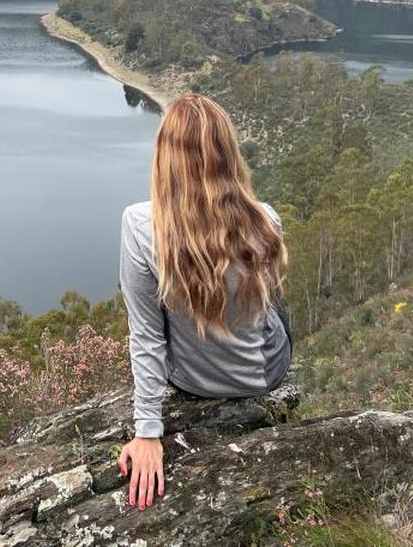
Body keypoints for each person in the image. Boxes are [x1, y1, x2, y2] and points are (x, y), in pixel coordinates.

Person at [116, 93, 292, 511]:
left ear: (165, 158)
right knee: (274, 306)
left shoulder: (139, 225)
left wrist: (148, 433)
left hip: (191, 381)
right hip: (263, 375)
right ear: (228, 154)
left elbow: (146, 337)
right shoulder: (266, 219)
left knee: (161, 310)